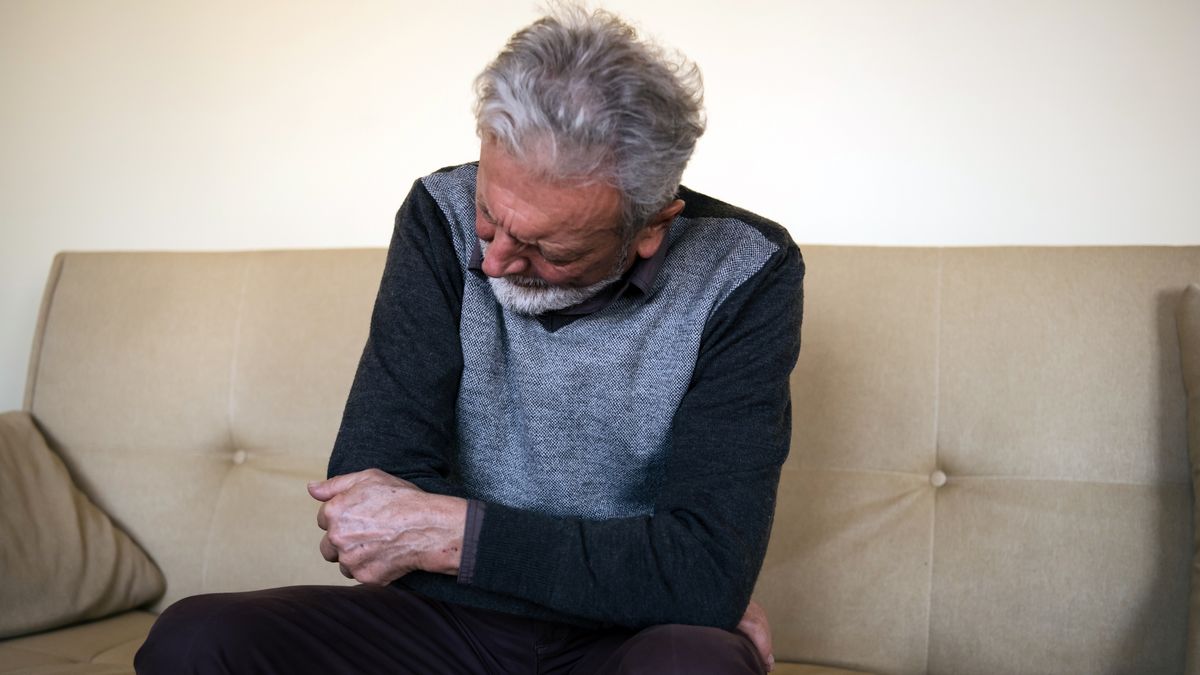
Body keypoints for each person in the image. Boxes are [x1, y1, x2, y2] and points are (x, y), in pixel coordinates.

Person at [136, 5, 803, 674]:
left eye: (545, 247)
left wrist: (443, 533)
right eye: (490, 213)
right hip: (446, 623)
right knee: (193, 639)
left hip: (626, 643)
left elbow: (702, 568)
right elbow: (370, 504)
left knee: (690, 664)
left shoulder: (745, 269)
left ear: (651, 226)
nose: (491, 263)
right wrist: (654, 579)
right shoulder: (440, 212)